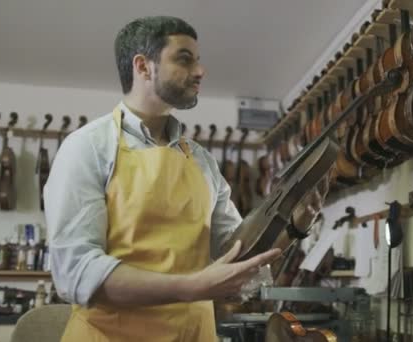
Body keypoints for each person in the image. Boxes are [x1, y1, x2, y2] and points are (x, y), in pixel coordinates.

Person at [44, 15, 326, 342]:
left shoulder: (202, 160)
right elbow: (76, 274)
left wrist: (294, 226)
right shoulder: (87, 147)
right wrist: (193, 287)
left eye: (198, 60)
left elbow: (238, 257)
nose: (200, 71)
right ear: (143, 66)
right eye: (184, 58)